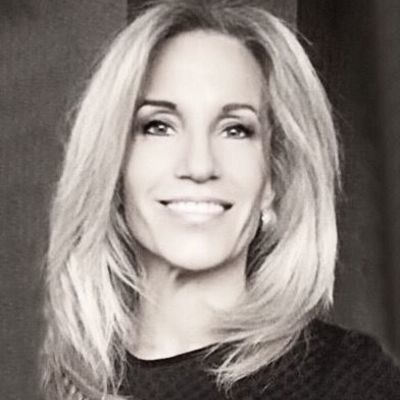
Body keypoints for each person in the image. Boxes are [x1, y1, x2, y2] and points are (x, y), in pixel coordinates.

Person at [40, 1, 400, 399]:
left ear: (274, 179)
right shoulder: (79, 380)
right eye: (158, 126)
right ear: (113, 168)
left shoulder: (347, 378)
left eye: (235, 130)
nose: (199, 165)